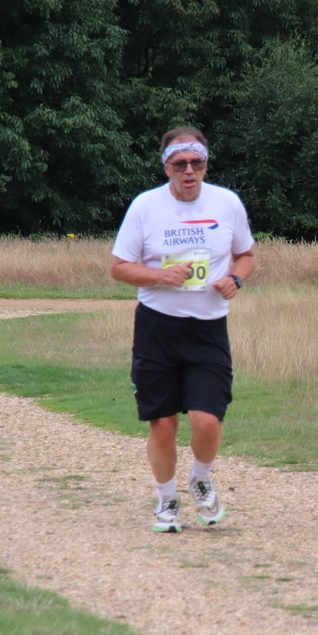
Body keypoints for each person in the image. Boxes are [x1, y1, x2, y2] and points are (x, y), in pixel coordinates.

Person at [110, 127, 256, 534]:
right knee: (163, 423)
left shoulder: (226, 202)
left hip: (208, 329)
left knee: (207, 420)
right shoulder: (146, 206)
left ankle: (201, 478)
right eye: (180, 164)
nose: (189, 171)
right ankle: (167, 499)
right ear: (166, 167)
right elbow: (119, 267)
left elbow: (246, 255)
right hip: (158, 327)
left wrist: (236, 279)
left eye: (197, 163)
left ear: (205, 164)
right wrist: (159, 275)